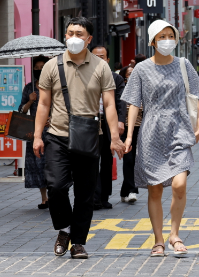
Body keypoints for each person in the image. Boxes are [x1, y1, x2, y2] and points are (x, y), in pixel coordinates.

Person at [34, 17, 125, 259]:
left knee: (85, 193)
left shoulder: (101, 67)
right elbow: (43, 104)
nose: (74, 37)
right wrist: (37, 136)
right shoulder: (52, 66)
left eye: (79, 33)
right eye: (70, 33)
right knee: (55, 187)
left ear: (89, 39)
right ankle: (64, 229)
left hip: (88, 137)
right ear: (65, 36)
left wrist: (114, 137)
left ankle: (78, 243)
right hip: (57, 136)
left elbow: (109, 104)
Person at [122, 20, 199, 257]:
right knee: (155, 190)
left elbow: (194, 95)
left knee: (179, 184)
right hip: (151, 131)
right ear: (152, 41)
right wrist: (129, 136)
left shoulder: (183, 64)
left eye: (170, 35)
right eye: (161, 36)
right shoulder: (141, 69)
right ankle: (159, 240)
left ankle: (175, 234)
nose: (167, 40)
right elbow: (134, 104)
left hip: (179, 128)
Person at [91, 45, 127, 210]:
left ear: (108, 59)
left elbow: (120, 101)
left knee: (106, 160)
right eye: (95, 56)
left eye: (102, 56)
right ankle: (95, 198)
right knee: (91, 160)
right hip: (90, 122)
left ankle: (104, 196)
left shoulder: (116, 78)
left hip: (107, 122)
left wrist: (120, 121)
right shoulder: (84, 76)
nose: (99, 59)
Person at [19, 56, 51, 209]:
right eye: (36, 68)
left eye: (42, 67)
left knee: (51, 164)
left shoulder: (53, 86)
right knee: (38, 165)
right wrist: (30, 101)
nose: (39, 70)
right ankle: (44, 198)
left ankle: (54, 195)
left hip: (52, 131)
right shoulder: (29, 88)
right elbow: (21, 111)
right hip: (35, 132)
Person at [117, 65, 139, 204]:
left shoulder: (141, 89)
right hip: (125, 129)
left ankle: (125, 190)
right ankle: (132, 190)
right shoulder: (121, 90)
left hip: (141, 128)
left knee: (136, 161)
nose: (131, 76)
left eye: (133, 73)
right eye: (129, 73)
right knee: (129, 159)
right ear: (124, 76)